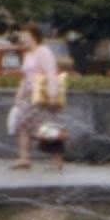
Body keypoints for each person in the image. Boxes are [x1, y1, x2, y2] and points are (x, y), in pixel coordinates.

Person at [10, 23, 67, 172]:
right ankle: (24, 158)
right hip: (29, 97)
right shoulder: (27, 54)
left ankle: (57, 161)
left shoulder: (44, 52)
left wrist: (53, 95)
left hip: (43, 97)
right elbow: (25, 77)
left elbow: (51, 73)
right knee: (22, 124)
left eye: (25, 36)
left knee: (49, 129)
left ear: (34, 37)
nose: (22, 39)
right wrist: (19, 94)